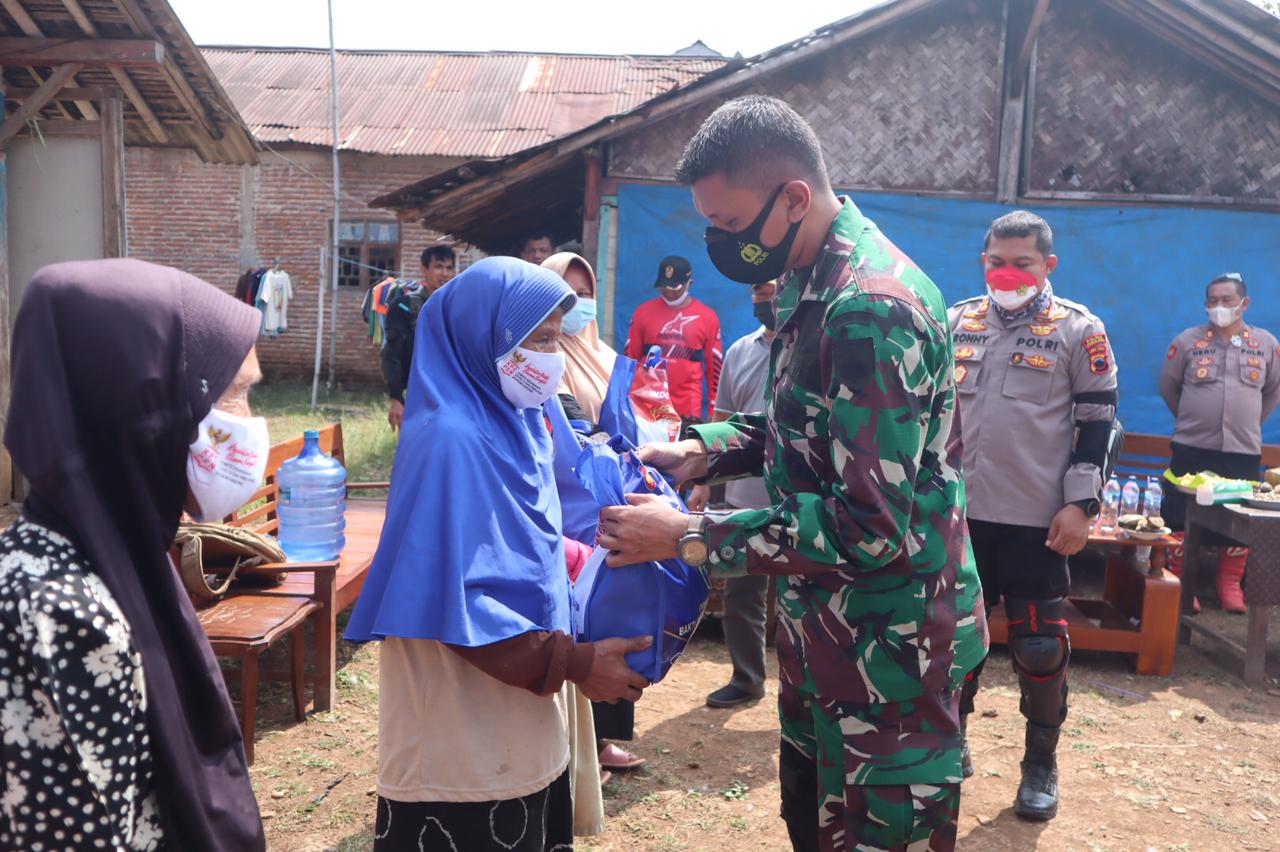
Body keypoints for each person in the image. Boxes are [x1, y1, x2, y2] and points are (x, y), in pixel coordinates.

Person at [599, 95, 987, 852]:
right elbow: (801, 427)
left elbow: (870, 527)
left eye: (734, 227)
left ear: (795, 198)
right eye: (710, 227)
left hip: (891, 659)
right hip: (825, 635)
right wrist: (701, 448)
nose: (721, 244)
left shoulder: (871, 307)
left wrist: (688, 535)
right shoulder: (811, 281)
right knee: (810, 825)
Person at [345, 257, 652, 852]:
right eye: (536, 339)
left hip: (523, 713)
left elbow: (515, 536)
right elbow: (457, 600)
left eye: (556, 338)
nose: (551, 356)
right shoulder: (450, 440)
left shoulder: (517, 420)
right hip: (462, 734)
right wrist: (579, 663)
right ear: (482, 337)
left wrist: (582, 559)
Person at [2, 259, 268, 850]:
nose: (249, 427)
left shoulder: (113, 555)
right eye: (237, 396)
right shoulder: (64, 612)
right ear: (146, 412)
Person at [948, 210, 1118, 822]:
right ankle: (949, 742)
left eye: (1022, 261)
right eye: (997, 259)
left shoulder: (1079, 330)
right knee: (952, 639)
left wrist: (1081, 504)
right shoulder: (955, 321)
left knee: (1041, 648)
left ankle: (1040, 764)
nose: (1007, 271)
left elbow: (1099, 426)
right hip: (959, 519)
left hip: (1036, 521)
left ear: (1048, 265)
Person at [540, 252, 648, 779]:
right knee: (575, 624)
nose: (579, 305)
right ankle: (579, 742)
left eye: (586, 294)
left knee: (615, 612)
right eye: (567, 293)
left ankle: (606, 740)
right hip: (564, 510)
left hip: (610, 507)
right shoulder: (538, 358)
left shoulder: (604, 354)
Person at [1160, 272, 1280, 614]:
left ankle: (1229, 585)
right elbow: (1169, 387)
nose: (1219, 307)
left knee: (1239, 517)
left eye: (1227, 300)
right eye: (1212, 300)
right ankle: (1182, 582)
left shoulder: (1266, 344)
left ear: (1245, 303)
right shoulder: (1187, 341)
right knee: (1181, 514)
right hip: (1192, 445)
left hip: (1241, 450)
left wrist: (1248, 424)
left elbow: (1272, 391)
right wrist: (1192, 419)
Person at [688, 280, 778, 710]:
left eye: (772, 288)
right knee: (742, 599)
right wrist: (706, 483)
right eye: (758, 290)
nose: (764, 297)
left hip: (803, 502)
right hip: (745, 499)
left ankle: (811, 692)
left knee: (810, 602)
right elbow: (723, 424)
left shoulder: (818, 348)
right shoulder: (741, 351)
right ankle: (747, 679)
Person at [623, 255, 724, 421]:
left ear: (689, 283)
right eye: (664, 286)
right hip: (647, 404)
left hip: (687, 409)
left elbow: (715, 368)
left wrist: (714, 407)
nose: (669, 292)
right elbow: (629, 359)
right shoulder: (642, 312)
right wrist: (623, 397)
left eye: (675, 287)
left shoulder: (708, 317)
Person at [384, 244, 457, 430]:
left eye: (449, 268)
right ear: (424, 270)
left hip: (454, 397)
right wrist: (396, 398)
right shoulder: (404, 307)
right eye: (438, 267)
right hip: (417, 395)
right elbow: (392, 354)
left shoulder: (459, 307)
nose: (445, 273)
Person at [543, 252, 617, 426]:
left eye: (583, 294)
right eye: (566, 294)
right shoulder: (539, 352)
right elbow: (565, 411)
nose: (575, 302)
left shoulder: (608, 354)